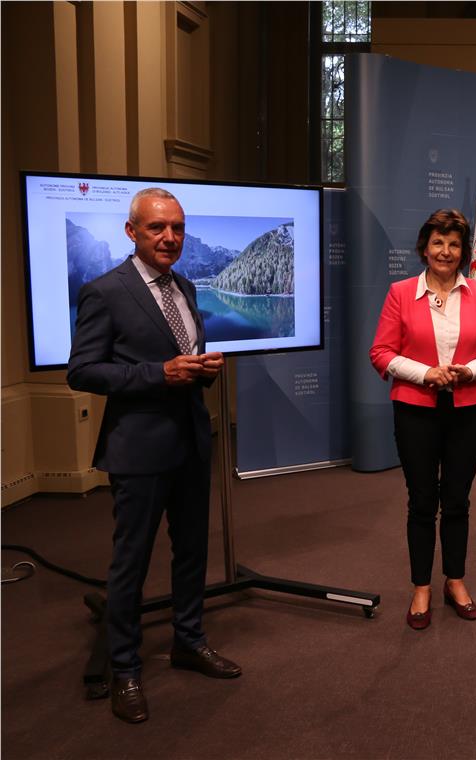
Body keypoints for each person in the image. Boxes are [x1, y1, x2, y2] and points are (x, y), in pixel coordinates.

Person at [67, 188, 241, 724]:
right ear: (132, 231)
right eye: (157, 228)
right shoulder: (104, 291)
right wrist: (158, 374)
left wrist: (199, 369)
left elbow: (180, 355)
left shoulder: (185, 286)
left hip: (191, 442)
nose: (170, 238)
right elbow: (82, 371)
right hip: (139, 448)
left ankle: (189, 640)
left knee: (191, 551)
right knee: (132, 562)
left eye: (178, 228)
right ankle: (124, 668)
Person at [370, 209, 476, 630]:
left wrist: (470, 371)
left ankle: (455, 580)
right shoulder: (400, 293)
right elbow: (381, 353)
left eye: (453, 244)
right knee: (421, 501)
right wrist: (425, 373)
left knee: (457, 500)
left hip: (466, 409)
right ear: (424, 248)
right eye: (437, 243)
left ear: (463, 251)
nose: (445, 251)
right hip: (415, 409)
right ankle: (421, 587)